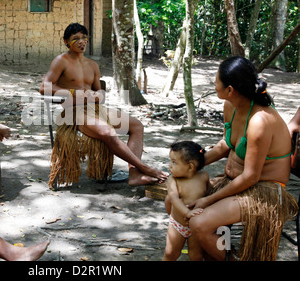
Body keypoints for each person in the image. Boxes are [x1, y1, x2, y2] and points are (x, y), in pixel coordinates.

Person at [188, 56, 298, 261]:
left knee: (199, 223)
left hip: (263, 190)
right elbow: (225, 144)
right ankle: (213, 253)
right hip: (234, 183)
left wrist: (208, 200)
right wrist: (193, 164)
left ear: (230, 89)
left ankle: (229, 257)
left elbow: (250, 177)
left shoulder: (260, 121)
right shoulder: (231, 105)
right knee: (178, 198)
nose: (213, 84)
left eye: (216, 81)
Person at [40, 23, 167, 187]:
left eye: (84, 38)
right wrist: (77, 94)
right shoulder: (61, 61)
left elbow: (99, 92)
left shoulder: (92, 65)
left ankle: (135, 174)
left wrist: (98, 96)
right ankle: (145, 168)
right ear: (66, 41)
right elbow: (44, 88)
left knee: (137, 126)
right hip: (73, 112)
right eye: (75, 39)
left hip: (96, 110)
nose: (81, 42)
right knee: (108, 131)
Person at [163, 141, 211, 261]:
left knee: (196, 256)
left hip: (196, 226)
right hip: (178, 225)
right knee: (170, 253)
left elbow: (209, 194)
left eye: (174, 162)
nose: (170, 165)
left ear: (190, 167)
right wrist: (187, 213)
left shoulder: (204, 176)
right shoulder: (173, 180)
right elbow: (174, 198)